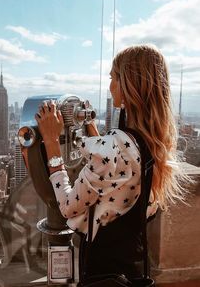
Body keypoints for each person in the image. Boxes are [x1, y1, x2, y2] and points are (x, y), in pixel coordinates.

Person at [35, 44, 186, 283]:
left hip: (102, 272)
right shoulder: (154, 143)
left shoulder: (115, 147)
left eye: (113, 77)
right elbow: (112, 171)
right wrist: (90, 125)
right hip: (131, 269)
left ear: (127, 86)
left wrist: (51, 142)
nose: (109, 85)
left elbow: (67, 207)